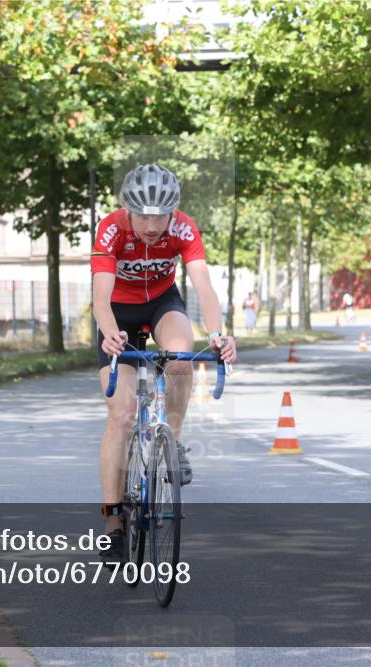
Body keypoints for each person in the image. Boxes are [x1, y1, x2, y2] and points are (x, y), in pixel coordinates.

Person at [91, 163, 238, 564]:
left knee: (179, 358)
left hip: (160, 302)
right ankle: (112, 523)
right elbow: (100, 297)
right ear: (128, 210)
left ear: (173, 212)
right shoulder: (111, 229)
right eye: (144, 216)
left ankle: (171, 440)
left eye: (161, 215)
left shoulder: (184, 229)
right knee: (121, 416)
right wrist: (108, 333)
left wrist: (219, 333)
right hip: (116, 314)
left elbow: (203, 286)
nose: (153, 225)